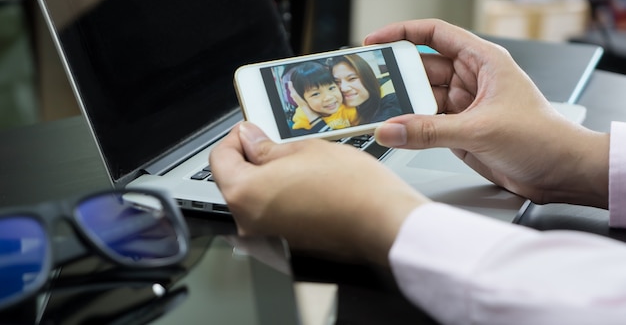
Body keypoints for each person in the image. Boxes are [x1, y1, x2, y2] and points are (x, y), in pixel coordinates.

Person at [210, 19, 626, 324]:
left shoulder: (368, 108)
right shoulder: (311, 119)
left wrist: (380, 216)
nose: (336, 92)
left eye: (344, 81)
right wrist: (581, 161)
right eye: (318, 90)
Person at [329, 54, 402, 124]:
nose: (344, 88)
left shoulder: (391, 102)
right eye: (337, 82)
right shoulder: (334, 113)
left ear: (367, 78)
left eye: (352, 79)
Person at [287, 61, 357, 131]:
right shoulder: (303, 117)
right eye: (316, 94)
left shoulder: (347, 108)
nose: (328, 97)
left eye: (331, 88)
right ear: (302, 100)